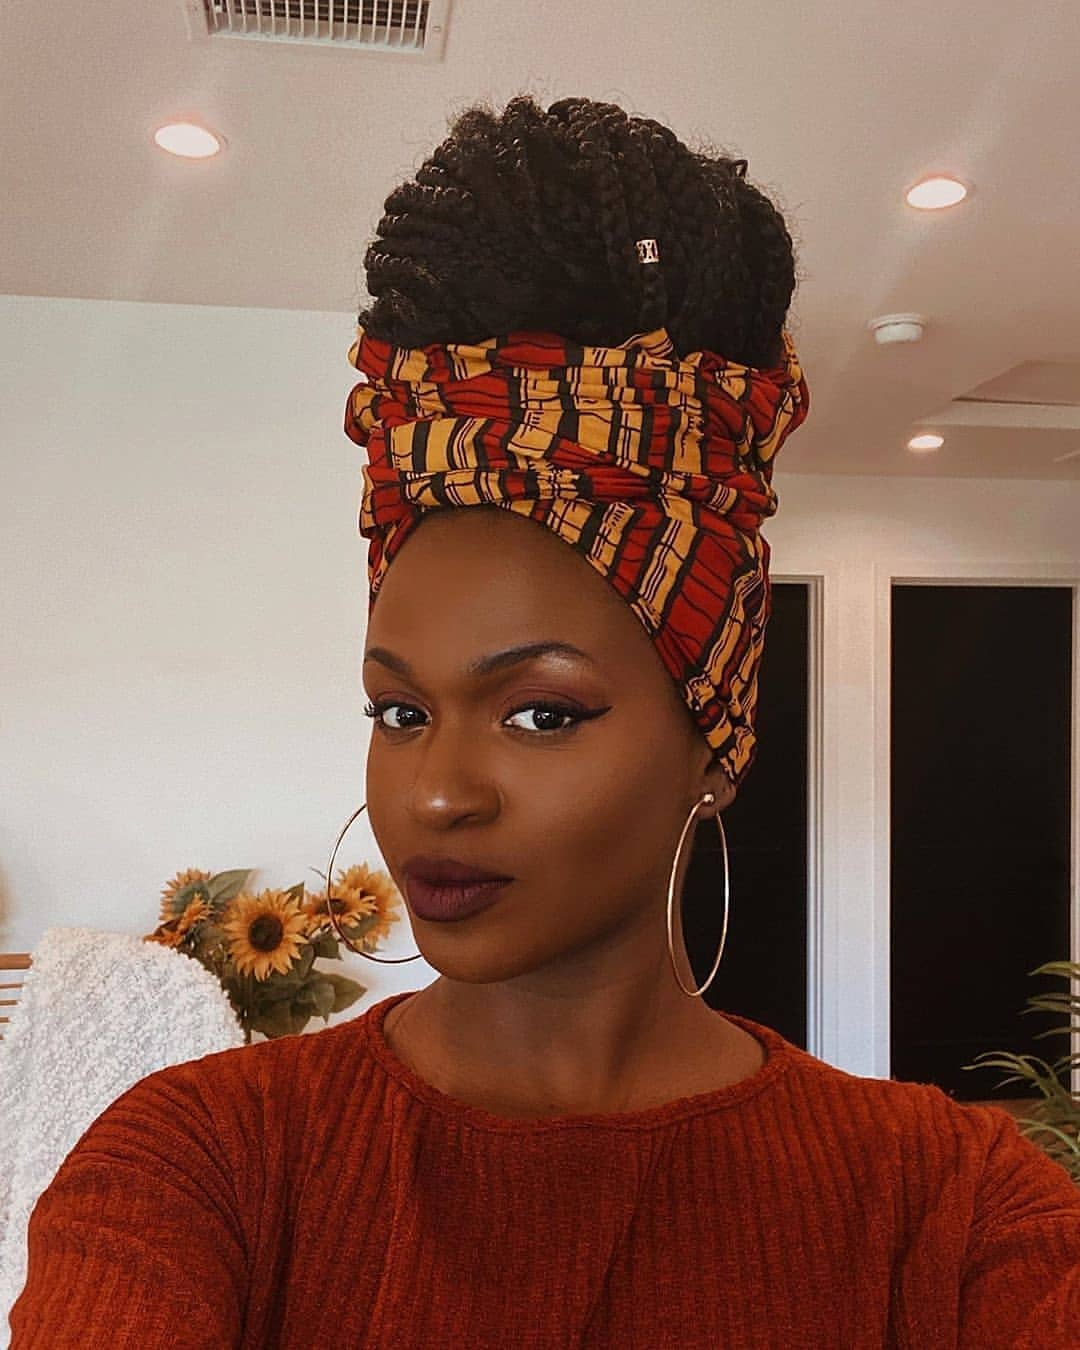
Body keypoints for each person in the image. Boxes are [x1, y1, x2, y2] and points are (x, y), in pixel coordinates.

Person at [10, 94, 1080, 1348]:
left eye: (539, 713)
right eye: (401, 708)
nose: (436, 793)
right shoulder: (198, 1167)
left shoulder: (951, 1210)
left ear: (714, 737)